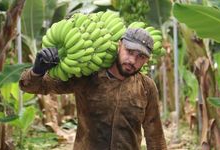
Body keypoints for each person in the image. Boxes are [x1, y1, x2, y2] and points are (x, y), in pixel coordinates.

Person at [19, 28, 167, 150]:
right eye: (129, 51)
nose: (132, 61)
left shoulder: (146, 87)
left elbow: (155, 134)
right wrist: (37, 71)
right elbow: (38, 86)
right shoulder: (87, 75)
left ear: (147, 59)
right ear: (119, 45)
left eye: (140, 56)